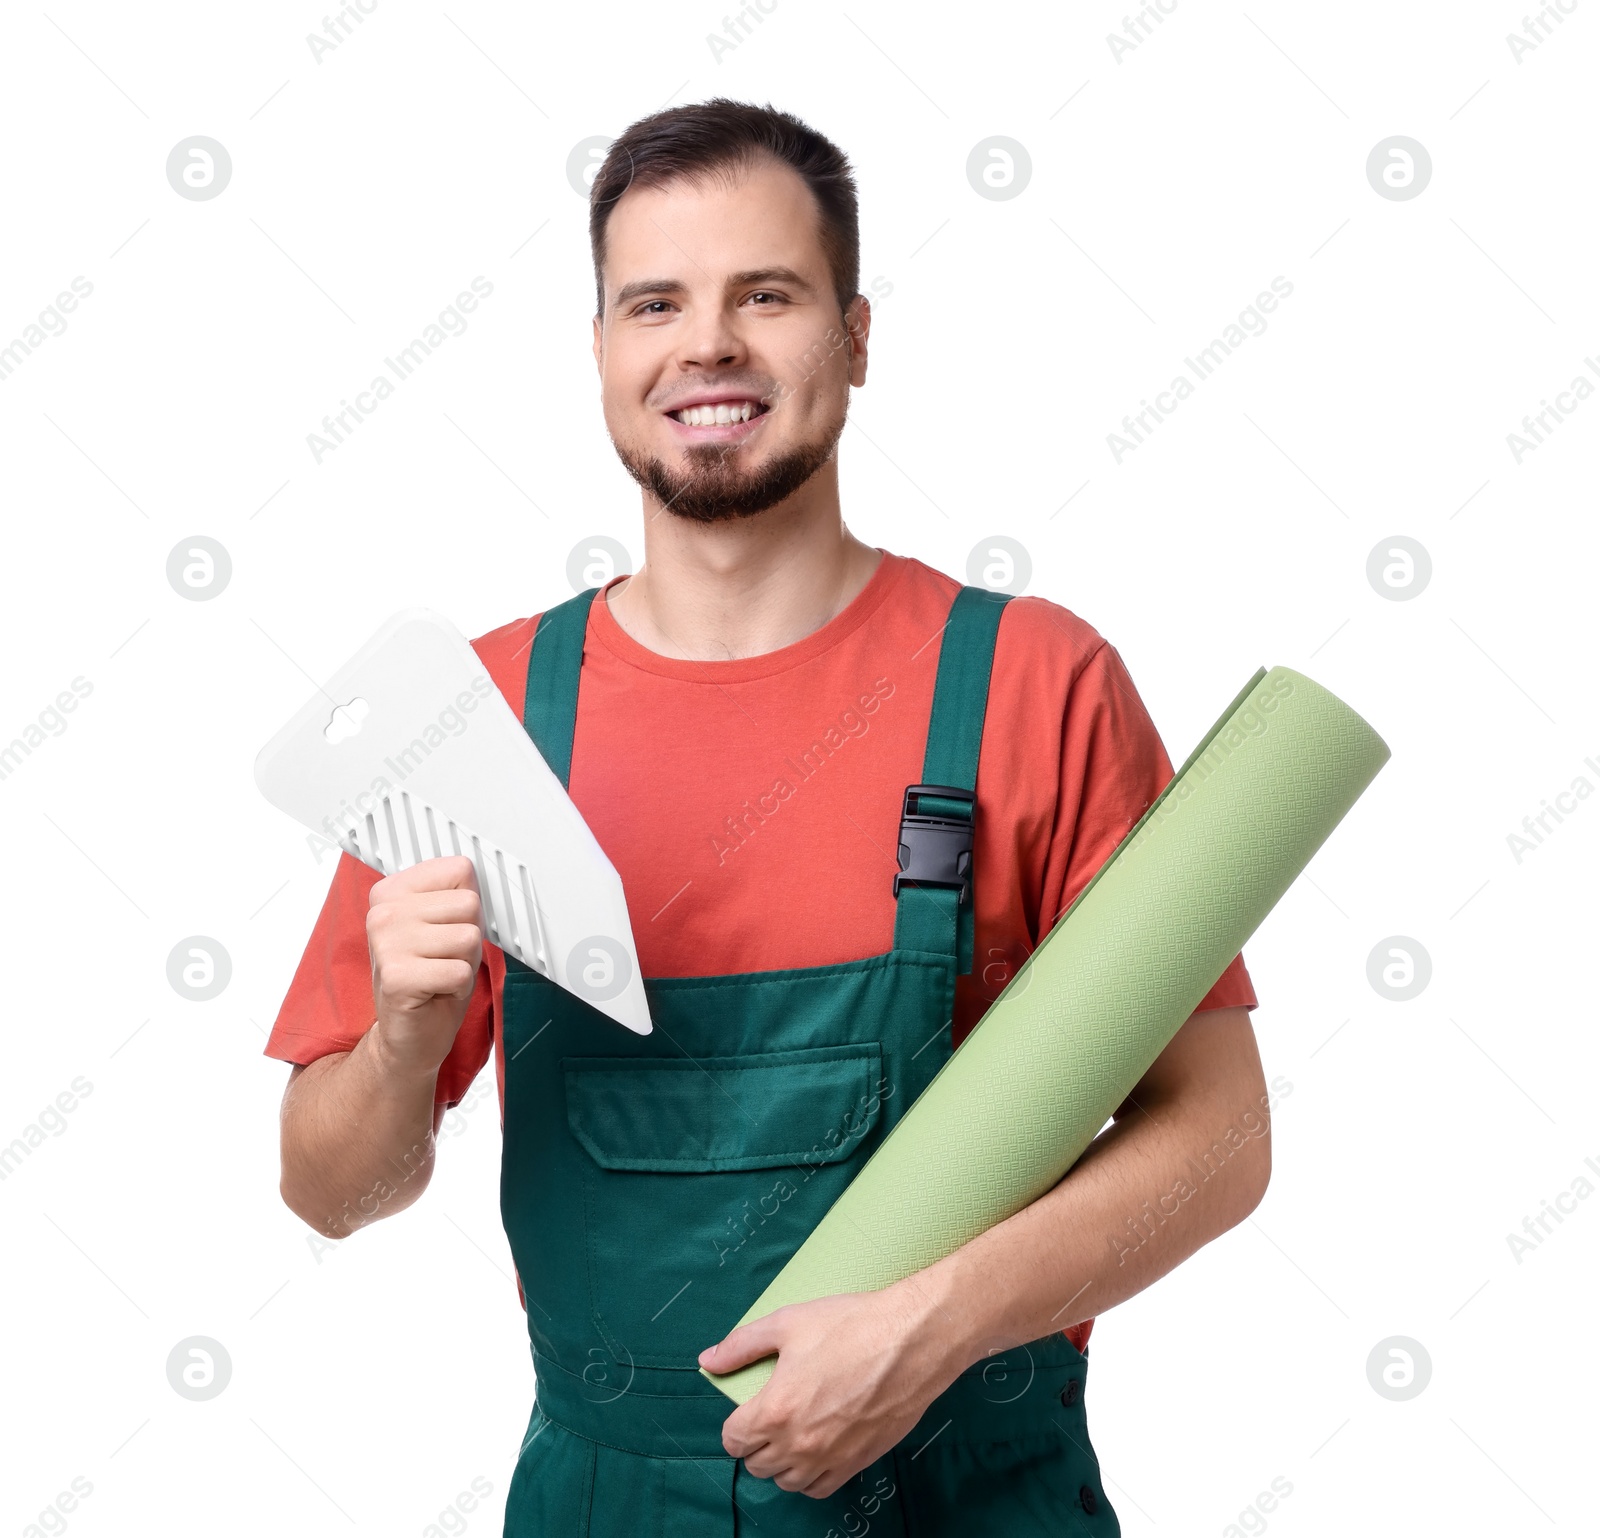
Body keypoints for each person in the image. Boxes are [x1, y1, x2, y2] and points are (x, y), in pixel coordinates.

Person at [267, 97, 1269, 1536]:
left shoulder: (1037, 684)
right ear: (605, 353)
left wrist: (928, 1326)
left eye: (768, 296)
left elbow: (1222, 1134)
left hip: (979, 1494)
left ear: (857, 339)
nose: (709, 345)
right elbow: (328, 1189)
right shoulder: (474, 723)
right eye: (655, 302)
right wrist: (403, 1043)